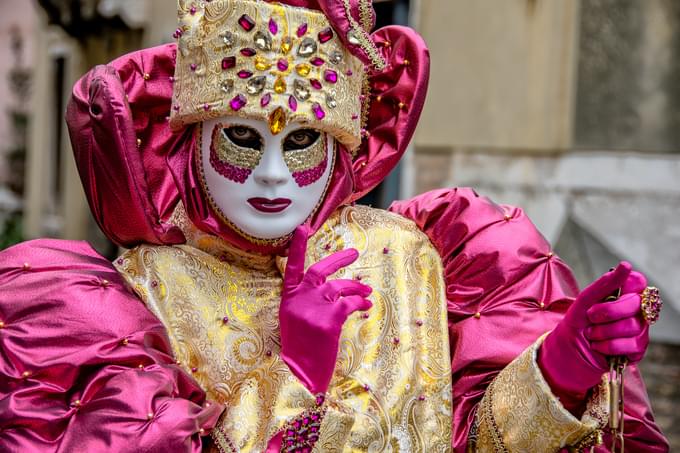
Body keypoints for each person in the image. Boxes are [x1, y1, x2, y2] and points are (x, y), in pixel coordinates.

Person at [0, 0, 669, 451]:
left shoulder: (412, 254)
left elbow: (470, 439)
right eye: (240, 138)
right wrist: (297, 369)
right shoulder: (145, 289)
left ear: (342, 149)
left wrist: (557, 370)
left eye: (301, 142)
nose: (270, 174)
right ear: (193, 146)